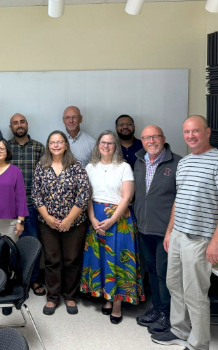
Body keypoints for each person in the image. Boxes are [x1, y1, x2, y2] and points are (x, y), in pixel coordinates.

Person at [152, 116, 218, 350]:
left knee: (195, 293)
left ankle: (199, 343)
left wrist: (216, 241)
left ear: (207, 132)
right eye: (187, 132)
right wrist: (170, 231)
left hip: (200, 239)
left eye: (196, 131)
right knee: (174, 285)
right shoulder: (185, 162)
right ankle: (180, 330)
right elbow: (178, 201)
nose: (191, 136)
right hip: (179, 235)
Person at [81, 130, 144, 325]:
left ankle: (117, 304)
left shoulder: (124, 167)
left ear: (115, 146)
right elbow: (88, 195)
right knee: (101, 260)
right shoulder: (90, 167)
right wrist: (92, 218)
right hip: (96, 218)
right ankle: (106, 298)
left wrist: (111, 220)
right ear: (98, 145)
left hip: (119, 219)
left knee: (117, 260)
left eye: (110, 143)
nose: (106, 146)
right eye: (103, 142)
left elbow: (127, 197)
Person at [32, 131, 91, 316]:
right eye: (52, 142)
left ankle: (70, 296)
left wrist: (68, 220)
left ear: (66, 145)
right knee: (52, 260)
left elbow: (84, 194)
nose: (56, 145)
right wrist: (48, 218)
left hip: (74, 223)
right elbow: (36, 194)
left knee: (71, 260)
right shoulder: (42, 166)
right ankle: (53, 297)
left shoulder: (77, 166)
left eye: (59, 142)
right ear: (48, 145)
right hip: (47, 223)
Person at [133, 125, 181, 334]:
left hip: (165, 230)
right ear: (141, 140)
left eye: (155, 137)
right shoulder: (139, 161)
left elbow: (180, 199)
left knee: (165, 274)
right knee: (151, 270)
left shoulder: (178, 163)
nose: (151, 141)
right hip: (144, 228)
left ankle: (168, 315)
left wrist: (170, 230)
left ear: (163, 138)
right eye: (146, 138)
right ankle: (157, 308)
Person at [8, 113, 46, 296]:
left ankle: (34, 279)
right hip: (9, 206)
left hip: (32, 204)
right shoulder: (5, 147)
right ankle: (12, 279)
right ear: (11, 127)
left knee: (33, 243)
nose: (19, 125)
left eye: (22, 122)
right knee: (10, 245)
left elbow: (45, 177)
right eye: (15, 123)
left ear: (27, 124)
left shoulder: (39, 147)